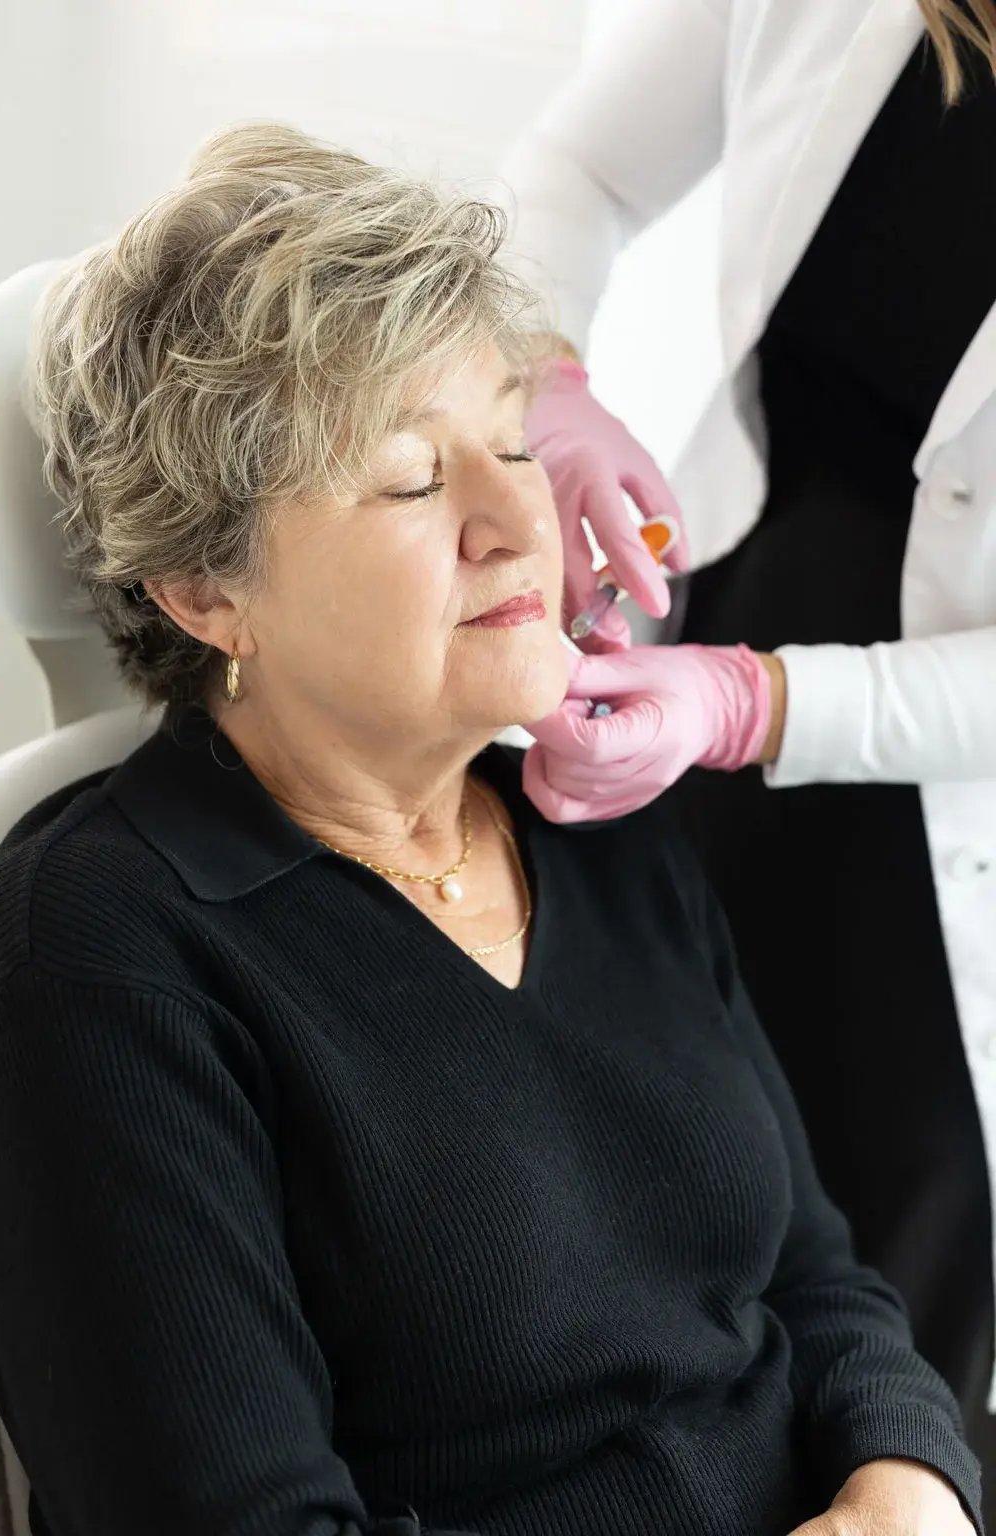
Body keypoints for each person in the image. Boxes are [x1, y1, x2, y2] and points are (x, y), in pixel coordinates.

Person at [0, 121, 984, 1536]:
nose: (521, 515)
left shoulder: (598, 833)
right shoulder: (105, 948)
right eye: (408, 475)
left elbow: (819, 1283)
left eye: (514, 439)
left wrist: (909, 1481)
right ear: (205, 588)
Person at [502, 0, 996, 1515]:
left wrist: (747, 706)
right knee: (657, 1218)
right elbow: (581, 168)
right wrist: (550, 379)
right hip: (728, 607)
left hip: (923, 773)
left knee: (885, 1337)